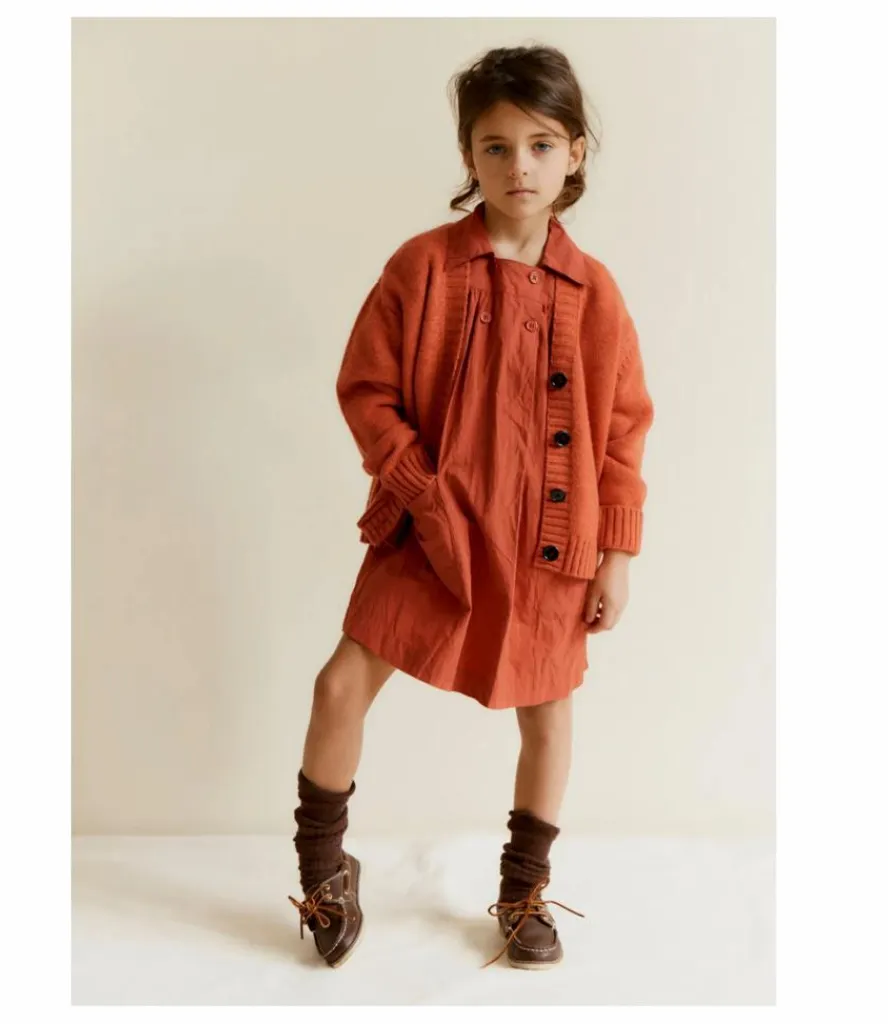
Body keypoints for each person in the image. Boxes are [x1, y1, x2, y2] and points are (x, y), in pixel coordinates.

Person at [287, 43, 655, 971]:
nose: (518, 166)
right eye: (496, 147)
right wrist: (419, 490)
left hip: (548, 542)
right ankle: (324, 868)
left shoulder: (596, 293)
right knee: (339, 685)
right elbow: (367, 389)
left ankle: (523, 888)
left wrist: (615, 554)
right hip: (430, 531)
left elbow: (622, 430)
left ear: (574, 153)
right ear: (468, 156)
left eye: (540, 145)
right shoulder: (422, 268)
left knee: (549, 712)